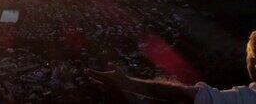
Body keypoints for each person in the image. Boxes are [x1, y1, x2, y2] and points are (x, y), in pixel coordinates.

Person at [85, 31, 256, 103]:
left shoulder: (246, 98)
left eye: (248, 57)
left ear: (254, 63)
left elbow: (184, 95)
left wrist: (126, 83)